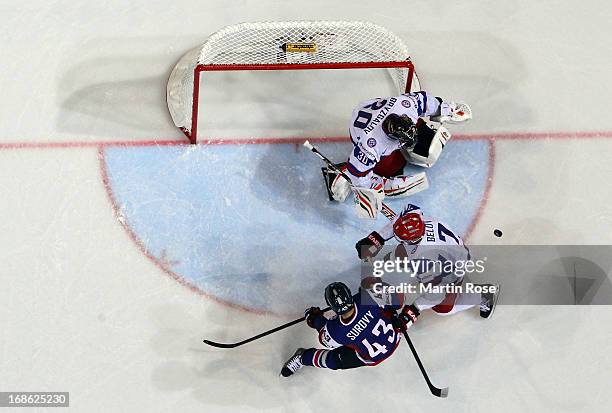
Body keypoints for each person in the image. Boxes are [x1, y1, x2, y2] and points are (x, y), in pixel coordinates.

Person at [325, 91, 471, 219]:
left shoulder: (405, 106)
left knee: (425, 141)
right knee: (392, 168)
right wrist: (369, 189)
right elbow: (358, 172)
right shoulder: (371, 145)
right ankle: (341, 172)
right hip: (360, 126)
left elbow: (425, 100)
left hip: (374, 108)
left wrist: (445, 109)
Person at [355, 203, 499, 318]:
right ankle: (385, 268)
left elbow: (436, 295)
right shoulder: (419, 219)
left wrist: (414, 310)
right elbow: (405, 212)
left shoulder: (425, 259)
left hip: (453, 269)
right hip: (450, 251)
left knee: (443, 307)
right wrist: (377, 238)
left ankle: (484, 295)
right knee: (401, 253)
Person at [280, 281, 418, 377]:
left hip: (368, 357)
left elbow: (325, 338)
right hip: (394, 338)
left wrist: (313, 317)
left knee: (332, 361)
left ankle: (302, 358)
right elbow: (399, 300)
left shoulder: (336, 331)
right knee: (381, 300)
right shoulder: (367, 297)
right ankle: (302, 358)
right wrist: (378, 289)